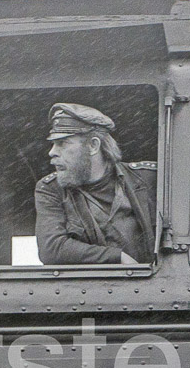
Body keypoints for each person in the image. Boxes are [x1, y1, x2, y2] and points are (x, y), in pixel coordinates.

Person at [34, 103, 157, 265]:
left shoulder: (148, 178)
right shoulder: (51, 189)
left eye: (62, 143)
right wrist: (117, 257)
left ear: (93, 145)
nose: (52, 152)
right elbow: (51, 249)